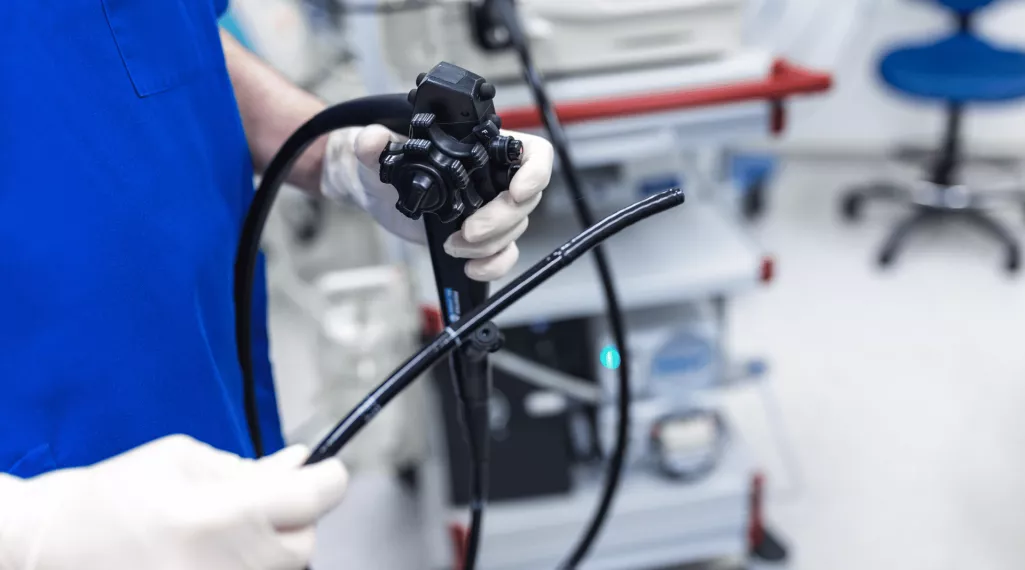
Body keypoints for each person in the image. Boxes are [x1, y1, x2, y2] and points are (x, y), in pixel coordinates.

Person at [0, 1, 553, 568]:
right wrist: (27, 532)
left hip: (204, 385)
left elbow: (158, 35)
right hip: (58, 480)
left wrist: (333, 155)